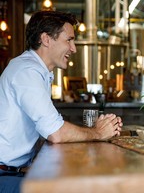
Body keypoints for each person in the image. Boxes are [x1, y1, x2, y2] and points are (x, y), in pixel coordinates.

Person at [0, 11, 122, 192]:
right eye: (69, 40)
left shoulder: (38, 72)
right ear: (46, 39)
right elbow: (55, 133)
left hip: (15, 172)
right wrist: (97, 132)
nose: (74, 48)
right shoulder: (27, 71)